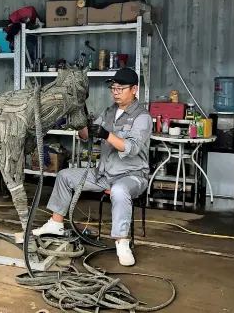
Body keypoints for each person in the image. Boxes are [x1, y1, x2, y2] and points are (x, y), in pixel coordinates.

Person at [32, 68, 152, 267]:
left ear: (134, 90)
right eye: (113, 88)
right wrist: (79, 119)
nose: (115, 92)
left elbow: (131, 147)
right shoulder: (109, 111)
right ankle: (55, 223)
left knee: (119, 191)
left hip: (131, 176)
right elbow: (86, 136)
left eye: (120, 88)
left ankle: (122, 243)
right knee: (64, 175)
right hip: (104, 173)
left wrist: (105, 134)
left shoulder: (142, 117)